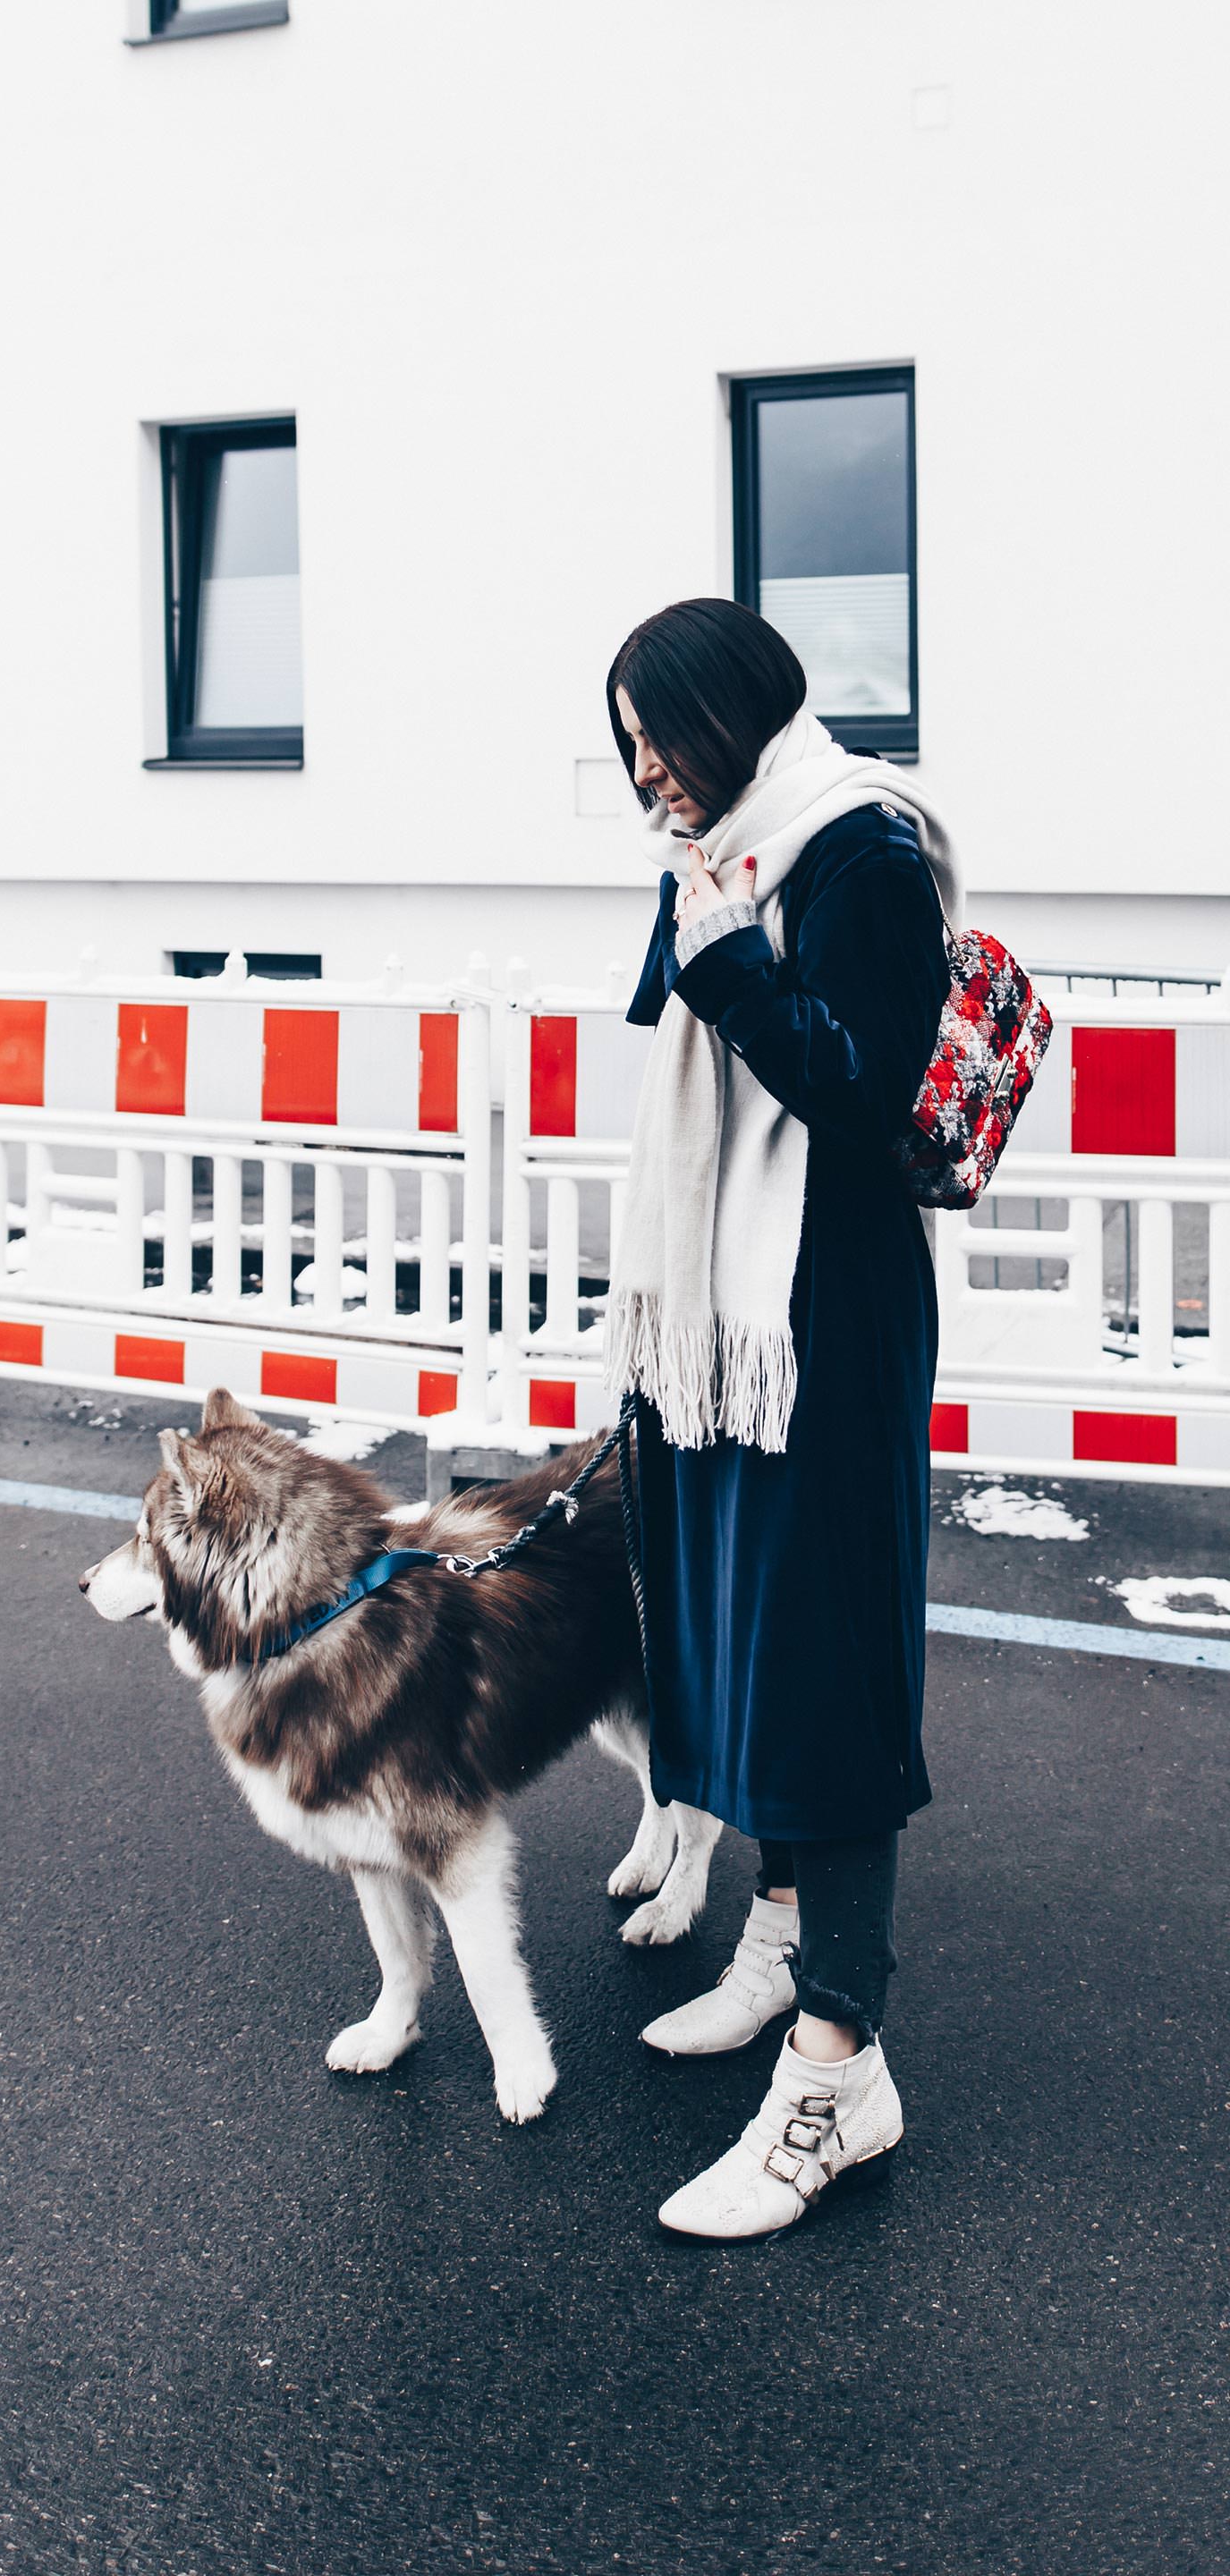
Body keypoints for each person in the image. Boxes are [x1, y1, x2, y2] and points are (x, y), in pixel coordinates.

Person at [604, 597, 954, 2242]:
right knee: (739, 1644)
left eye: (659, 735)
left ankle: (838, 2077)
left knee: (827, 1681)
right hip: (721, 1323)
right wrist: (700, 917)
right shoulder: (723, 847)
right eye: (627, 749)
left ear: (731, 712)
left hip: (827, 1321)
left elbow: (861, 1093)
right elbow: (667, 1044)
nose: (646, 770)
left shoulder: (863, 855)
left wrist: (734, 952)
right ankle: (777, 1945)